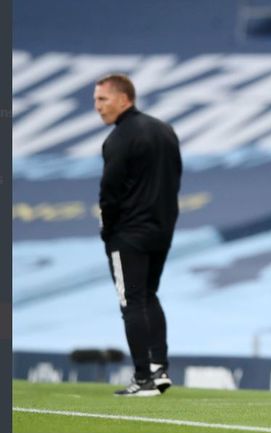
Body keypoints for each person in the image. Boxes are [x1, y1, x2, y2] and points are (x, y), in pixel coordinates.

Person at [94, 74, 182, 396]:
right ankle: (159, 370)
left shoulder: (118, 139)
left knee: (131, 302)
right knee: (148, 296)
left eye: (103, 100)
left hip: (129, 234)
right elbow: (175, 179)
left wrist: (108, 230)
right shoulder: (165, 130)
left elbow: (110, 193)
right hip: (161, 230)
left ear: (124, 98)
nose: (98, 108)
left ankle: (143, 377)